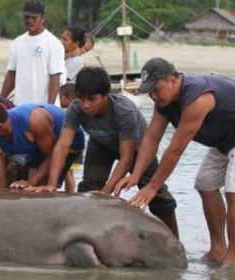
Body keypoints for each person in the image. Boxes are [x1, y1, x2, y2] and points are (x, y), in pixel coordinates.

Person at [114, 58, 235, 266]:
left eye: (156, 89)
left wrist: (153, 187)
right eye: (149, 91)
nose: (153, 96)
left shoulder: (198, 97)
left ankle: (233, 256)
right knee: (205, 185)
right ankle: (218, 249)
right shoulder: (164, 103)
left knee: (233, 193)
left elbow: (176, 149)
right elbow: (152, 137)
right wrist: (135, 176)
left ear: (172, 80)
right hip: (224, 141)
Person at [36, 67, 179, 236]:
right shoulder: (76, 108)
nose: (86, 105)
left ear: (105, 95)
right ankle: (89, 235)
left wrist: (107, 191)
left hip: (137, 150)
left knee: (159, 197)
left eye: (92, 99)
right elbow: (62, 146)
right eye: (81, 99)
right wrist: (52, 184)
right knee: (88, 189)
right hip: (101, 145)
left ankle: (174, 238)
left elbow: (126, 158)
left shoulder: (124, 111)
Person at [0, 99, 84, 191]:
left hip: (66, 142)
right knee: (15, 184)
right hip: (35, 147)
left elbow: (53, 155)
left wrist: (31, 182)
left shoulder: (34, 121)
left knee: (37, 187)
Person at [0, 0, 66, 105]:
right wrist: (0, 99)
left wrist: (50, 108)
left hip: (44, 108)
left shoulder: (54, 43)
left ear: (43, 18)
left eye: (34, 18)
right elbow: (11, 74)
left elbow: (55, 78)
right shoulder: (17, 42)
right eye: (27, 17)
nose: (30, 21)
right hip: (20, 106)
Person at [58, 82, 82, 192]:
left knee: (68, 172)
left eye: (60, 97)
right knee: (70, 173)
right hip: (76, 147)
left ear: (65, 97)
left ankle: (70, 193)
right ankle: (71, 192)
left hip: (70, 147)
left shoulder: (67, 113)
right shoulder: (78, 111)